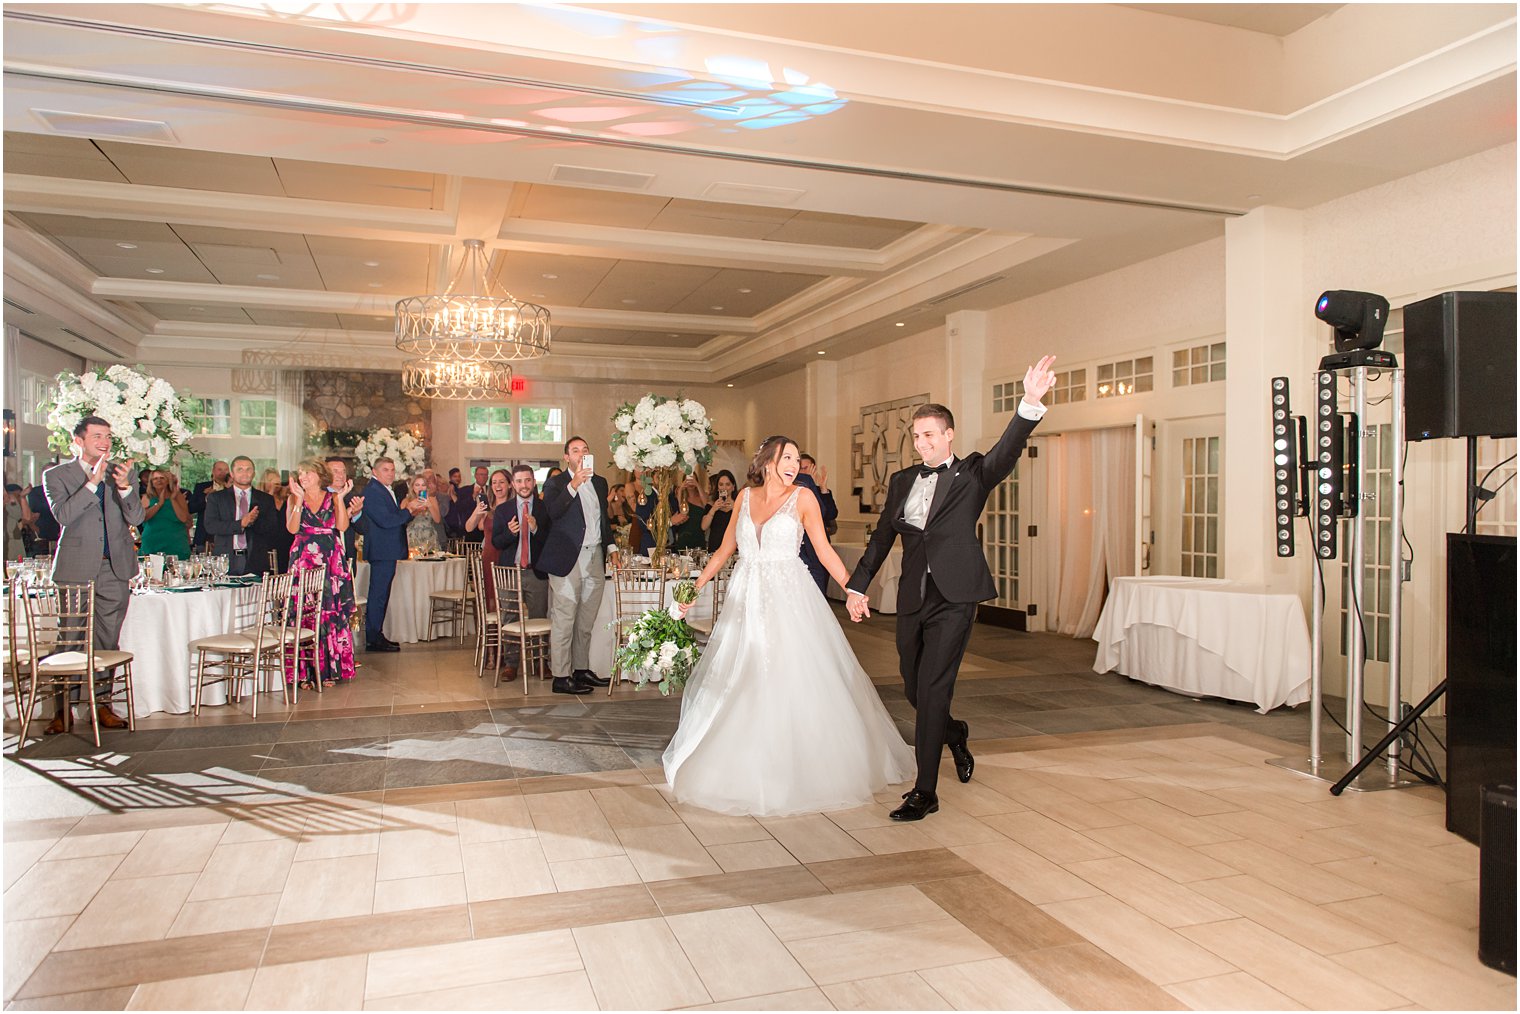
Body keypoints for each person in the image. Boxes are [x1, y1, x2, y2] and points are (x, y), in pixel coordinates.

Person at [846, 355, 1056, 821]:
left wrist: (1029, 403)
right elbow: (883, 536)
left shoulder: (974, 474)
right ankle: (954, 732)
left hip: (956, 597)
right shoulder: (903, 481)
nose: (921, 443)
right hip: (912, 597)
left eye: (929, 435)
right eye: (916, 436)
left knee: (934, 688)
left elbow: (1008, 449)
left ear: (949, 436)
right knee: (915, 688)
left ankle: (925, 792)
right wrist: (858, 585)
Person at [665, 436, 915, 816]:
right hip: (745, 598)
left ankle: (801, 766)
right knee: (743, 675)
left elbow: (823, 549)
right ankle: (742, 760)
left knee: (791, 674)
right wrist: (693, 589)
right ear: (767, 461)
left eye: (797, 459)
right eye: (787, 458)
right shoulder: (745, 499)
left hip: (790, 598)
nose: (794, 465)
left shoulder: (804, 498)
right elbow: (723, 550)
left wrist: (853, 589)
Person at [42, 415, 142, 733]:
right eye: (97, 436)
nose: (104, 442)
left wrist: (125, 488)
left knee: (107, 641)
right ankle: (64, 710)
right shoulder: (56, 475)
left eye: (108, 436)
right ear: (79, 441)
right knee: (70, 638)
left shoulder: (122, 474)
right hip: (75, 568)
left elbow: (137, 516)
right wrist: (92, 484)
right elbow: (64, 515)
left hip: (115, 567)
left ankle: (102, 705)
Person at [540, 436, 613, 695]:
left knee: (586, 619)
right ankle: (561, 676)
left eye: (585, 449)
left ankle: (580, 670)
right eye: (575, 450)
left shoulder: (601, 483)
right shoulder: (555, 483)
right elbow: (553, 512)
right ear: (567, 457)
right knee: (564, 617)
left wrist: (611, 547)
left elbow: (603, 519)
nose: (581, 453)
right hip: (567, 559)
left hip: (594, 557)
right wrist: (573, 484)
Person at [284, 458, 357, 688]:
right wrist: (297, 500)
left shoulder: (333, 497)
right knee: (304, 613)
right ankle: (303, 672)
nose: (302, 477)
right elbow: (293, 529)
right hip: (303, 559)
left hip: (329, 559)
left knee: (328, 612)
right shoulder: (294, 497)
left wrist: (342, 499)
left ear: (318, 475)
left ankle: (327, 670)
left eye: (307, 473)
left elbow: (342, 527)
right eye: (300, 473)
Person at [490, 465, 551, 682]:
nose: (523, 485)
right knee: (509, 618)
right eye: (519, 481)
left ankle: (540, 662)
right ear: (513, 484)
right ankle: (511, 664)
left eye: (527, 480)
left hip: (536, 572)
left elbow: (550, 541)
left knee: (539, 618)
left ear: (534, 482)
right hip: (510, 572)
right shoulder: (504, 510)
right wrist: (509, 533)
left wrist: (535, 529)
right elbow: (496, 542)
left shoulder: (544, 508)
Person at [358, 457, 413, 653]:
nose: (390, 473)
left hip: (386, 550)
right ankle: (373, 638)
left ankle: (376, 634)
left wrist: (409, 513)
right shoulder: (373, 491)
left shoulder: (382, 490)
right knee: (378, 595)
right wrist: (409, 510)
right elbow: (386, 521)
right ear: (374, 471)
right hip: (382, 550)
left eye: (392, 469)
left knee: (381, 594)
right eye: (385, 470)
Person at [204, 456, 283, 576]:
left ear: (254, 473)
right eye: (240, 469)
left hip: (255, 559)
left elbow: (272, 529)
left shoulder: (265, 499)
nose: (245, 473)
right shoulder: (217, 498)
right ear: (232, 473)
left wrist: (253, 521)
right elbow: (211, 526)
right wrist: (240, 524)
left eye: (248, 469)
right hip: (226, 560)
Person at [791, 466, 837, 594]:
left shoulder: (810, 489)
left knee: (816, 594)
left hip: (813, 549)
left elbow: (829, 513)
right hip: (792, 553)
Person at [137, 468, 192, 559]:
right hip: (153, 541)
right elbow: (143, 518)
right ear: (151, 482)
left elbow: (183, 518)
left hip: (176, 541)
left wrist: (173, 499)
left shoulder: (177, 496)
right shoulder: (147, 497)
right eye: (155, 478)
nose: (159, 480)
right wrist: (159, 504)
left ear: (167, 481)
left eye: (162, 478)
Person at [325, 457, 363, 563]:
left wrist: (357, 514)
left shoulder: (352, 497)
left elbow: (363, 529)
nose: (341, 476)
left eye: (343, 472)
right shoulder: (320, 496)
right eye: (335, 471)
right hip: (326, 556)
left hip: (347, 558)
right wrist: (347, 514)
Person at [187, 459, 230, 551]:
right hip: (204, 535)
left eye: (225, 470)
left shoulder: (233, 489)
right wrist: (206, 498)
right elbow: (191, 508)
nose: (223, 472)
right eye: (219, 469)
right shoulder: (202, 487)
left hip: (226, 535)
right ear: (213, 471)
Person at [261, 468, 296, 572]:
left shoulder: (285, 499)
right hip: (270, 542)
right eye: (271, 480)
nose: (275, 483)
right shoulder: (262, 499)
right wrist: (271, 492)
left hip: (287, 541)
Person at [799, 453, 839, 539]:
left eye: (806, 468)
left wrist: (824, 488)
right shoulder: (792, 492)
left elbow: (831, 515)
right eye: (800, 469)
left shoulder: (821, 491)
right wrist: (809, 485)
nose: (803, 472)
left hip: (820, 540)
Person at [402, 474, 444, 554]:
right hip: (412, 535)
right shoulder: (406, 501)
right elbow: (402, 520)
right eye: (417, 485)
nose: (420, 488)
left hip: (429, 536)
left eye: (423, 485)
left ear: (426, 487)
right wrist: (413, 507)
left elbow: (437, 520)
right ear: (413, 487)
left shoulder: (432, 499)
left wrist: (429, 505)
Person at [447, 466, 490, 543]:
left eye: (485, 475)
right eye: (480, 474)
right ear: (475, 475)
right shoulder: (464, 490)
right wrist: (473, 496)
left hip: (487, 530)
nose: (483, 477)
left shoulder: (492, 490)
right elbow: (460, 508)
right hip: (470, 531)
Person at [702, 470, 739, 552]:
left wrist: (736, 508)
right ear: (718, 488)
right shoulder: (711, 505)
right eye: (721, 484)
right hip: (715, 549)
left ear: (733, 487)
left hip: (733, 549)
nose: (724, 488)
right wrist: (714, 509)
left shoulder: (739, 505)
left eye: (728, 484)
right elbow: (703, 527)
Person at [671, 474, 708, 552]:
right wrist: (681, 488)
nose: (691, 483)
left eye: (693, 480)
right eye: (688, 480)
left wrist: (697, 485)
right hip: (684, 536)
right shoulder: (683, 498)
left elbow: (706, 504)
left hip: (699, 535)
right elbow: (678, 508)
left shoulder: (701, 497)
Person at [26, 472, 61, 555]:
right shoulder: (36, 492)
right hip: (42, 534)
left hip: (61, 532)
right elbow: (35, 512)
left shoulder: (65, 490)